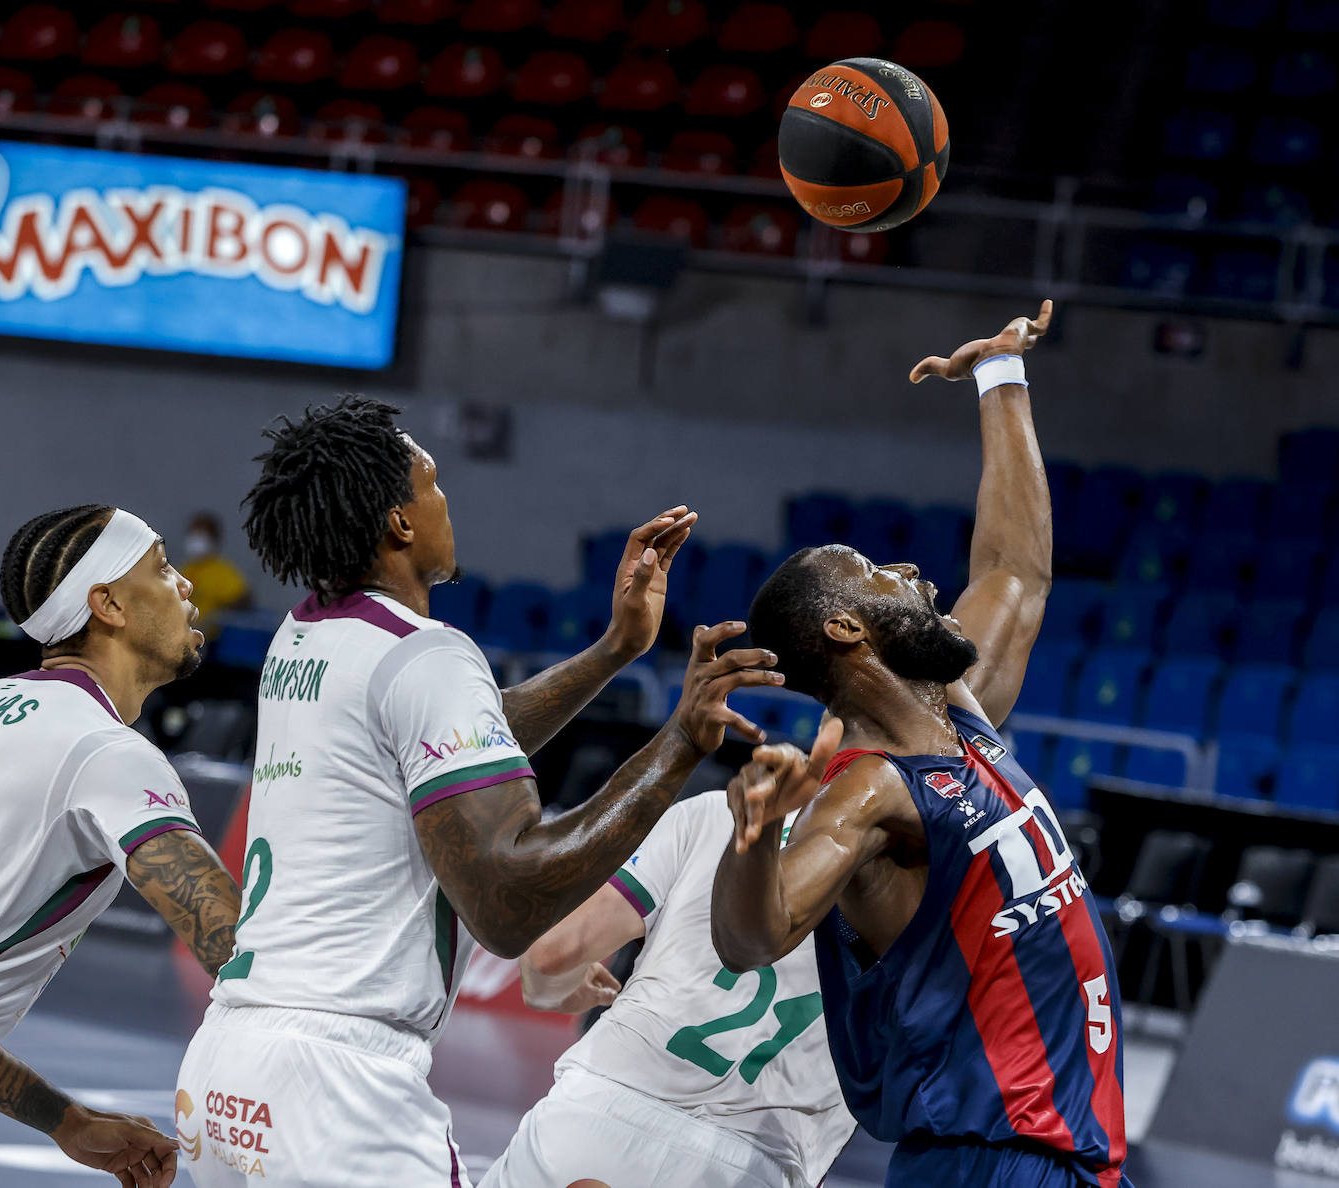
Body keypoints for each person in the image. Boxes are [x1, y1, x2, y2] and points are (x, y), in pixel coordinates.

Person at [176, 396, 782, 1188]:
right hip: (338, 1092)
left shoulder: (306, 633)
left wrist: (614, 650)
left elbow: (463, 747)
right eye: (432, 484)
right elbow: (505, 906)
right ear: (399, 522)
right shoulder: (428, 654)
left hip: (226, 1068)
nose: (444, 502)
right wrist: (676, 748)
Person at [713, 303, 1136, 1188]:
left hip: (1061, 1158)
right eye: (881, 575)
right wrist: (751, 844)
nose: (913, 573)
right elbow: (755, 938)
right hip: (984, 1162)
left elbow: (1016, 571)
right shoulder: (865, 794)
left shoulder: (961, 713)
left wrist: (1000, 377)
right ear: (844, 628)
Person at [0, 505, 246, 1188]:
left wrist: (66, 1121)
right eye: (161, 567)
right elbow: (237, 952)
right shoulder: (108, 752)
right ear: (108, 605)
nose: (186, 585)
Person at [480, 778, 856, 1188]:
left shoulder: (718, 813)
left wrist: (548, 989)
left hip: (600, 1109)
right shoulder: (915, 894)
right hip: (755, 1161)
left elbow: (552, 954)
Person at [178, 513, 252, 637]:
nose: (197, 539)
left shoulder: (222, 571)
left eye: (202, 535)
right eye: (194, 533)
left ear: (213, 539)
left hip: (208, 638)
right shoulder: (186, 568)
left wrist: (219, 616)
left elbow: (244, 598)